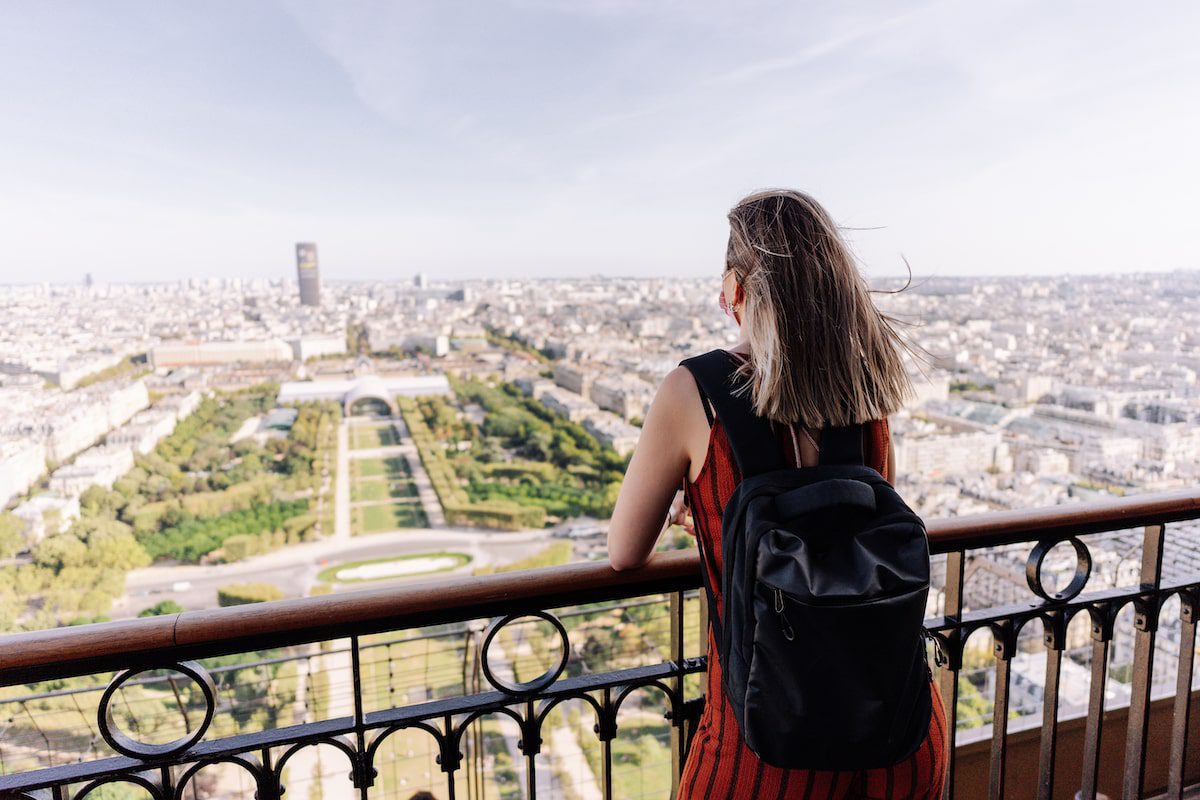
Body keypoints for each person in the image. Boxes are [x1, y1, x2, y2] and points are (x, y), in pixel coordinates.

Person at [607, 189, 947, 799]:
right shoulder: (865, 388)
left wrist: (708, 513)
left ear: (739, 286)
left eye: (725, 280)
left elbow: (625, 551)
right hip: (896, 728)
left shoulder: (696, 392)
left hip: (767, 741)